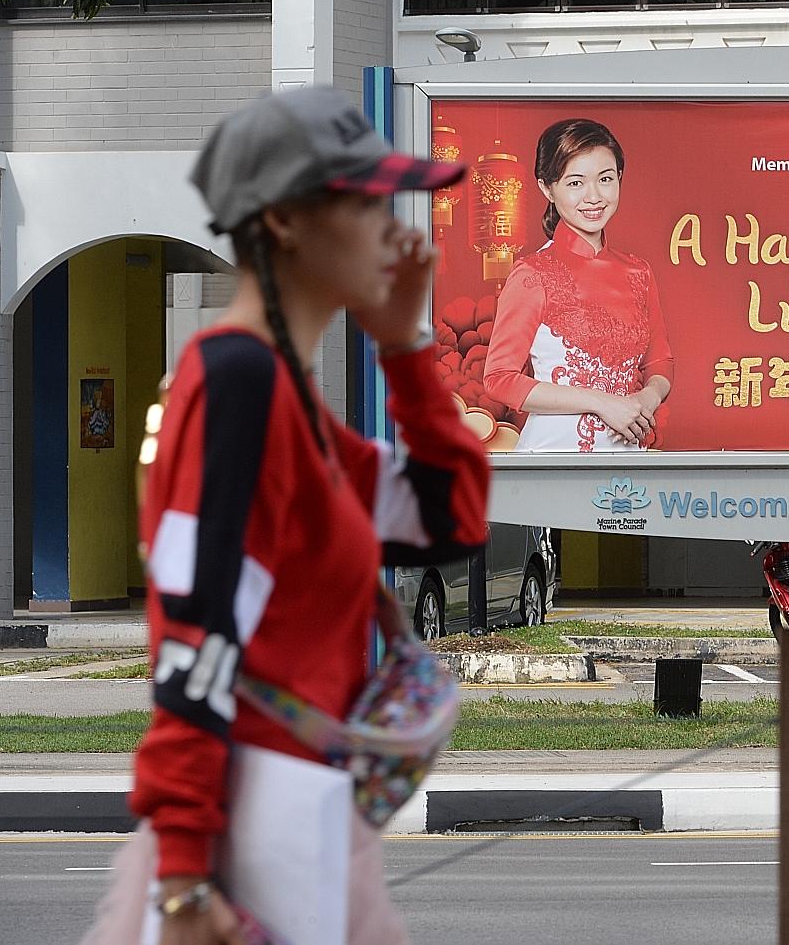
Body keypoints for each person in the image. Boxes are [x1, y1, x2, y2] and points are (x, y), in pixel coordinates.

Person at [81, 87, 488, 945]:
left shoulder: (298, 409)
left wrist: (406, 345)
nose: (394, 225)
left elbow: (450, 520)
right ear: (287, 223)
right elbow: (195, 637)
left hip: (301, 828)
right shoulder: (237, 384)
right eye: (366, 199)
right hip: (247, 843)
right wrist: (187, 883)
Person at [482, 118, 674, 452]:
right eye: (575, 183)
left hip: (628, 458)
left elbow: (659, 363)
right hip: (555, 456)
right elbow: (499, 379)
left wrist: (646, 397)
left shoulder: (639, 272)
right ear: (547, 188)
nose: (594, 196)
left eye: (605, 179)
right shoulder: (533, 274)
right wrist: (602, 402)